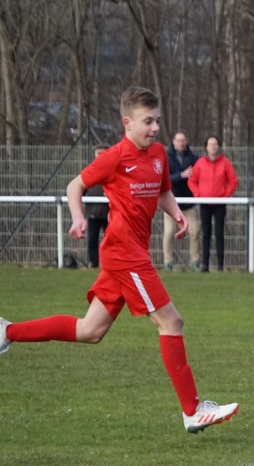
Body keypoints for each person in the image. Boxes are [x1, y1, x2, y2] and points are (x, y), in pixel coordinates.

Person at [0, 86, 238, 433]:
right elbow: (75, 186)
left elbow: (162, 190)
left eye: (157, 121)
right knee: (172, 322)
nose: (155, 128)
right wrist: (78, 218)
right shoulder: (114, 157)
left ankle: (7, 332)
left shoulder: (159, 153)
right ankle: (192, 410)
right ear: (127, 122)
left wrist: (177, 214)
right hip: (124, 254)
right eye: (147, 121)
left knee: (90, 330)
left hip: (130, 254)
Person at [188, 135, 238, 272]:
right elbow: (192, 181)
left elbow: (233, 181)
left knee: (219, 233)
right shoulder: (200, 163)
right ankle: (205, 265)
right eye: (210, 144)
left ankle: (220, 265)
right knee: (206, 233)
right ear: (206, 147)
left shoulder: (225, 162)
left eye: (215, 144)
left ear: (218, 146)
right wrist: (198, 194)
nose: (213, 147)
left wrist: (225, 195)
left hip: (220, 203)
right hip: (204, 203)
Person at [164, 130, 201, 272]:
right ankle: (168, 263)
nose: (181, 143)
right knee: (169, 233)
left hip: (188, 203)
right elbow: (165, 179)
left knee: (194, 231)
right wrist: (181, 175)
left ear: (187, 142)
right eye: (178, 140)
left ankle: (195, 262)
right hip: (170, 203)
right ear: (173, 142)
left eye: (183, 140)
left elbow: (198, 177)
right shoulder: (166, 158)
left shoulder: (194, 159)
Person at [83, 145, 110, 268]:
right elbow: (80, 189)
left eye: (104, 153)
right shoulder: (89, 172)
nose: (101, 156)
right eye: (99, 153)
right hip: (93, 212)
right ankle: (93, 264)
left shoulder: (114, 171)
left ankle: (110, 264)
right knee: (92, 240)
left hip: (109, 213)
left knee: (111, 241)